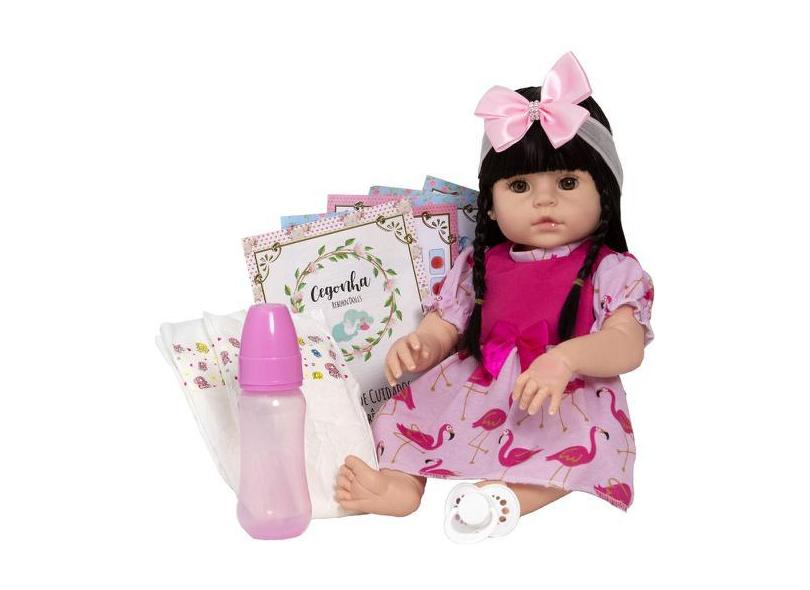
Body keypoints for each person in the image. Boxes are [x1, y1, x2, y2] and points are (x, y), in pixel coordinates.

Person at [335, 52, 654, 522]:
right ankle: (400, 486)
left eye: (567, 182)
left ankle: (509, 499)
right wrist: (424, 344)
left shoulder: (611, 269)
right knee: (397, 415)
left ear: (605, 194)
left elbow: (626, 344)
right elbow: (447, 323)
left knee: (585, 446)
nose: (544, 200)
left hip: (562, 396)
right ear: (489, 205)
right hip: (479, 383)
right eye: (520, 187)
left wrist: (566, 359)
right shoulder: (479, 264)